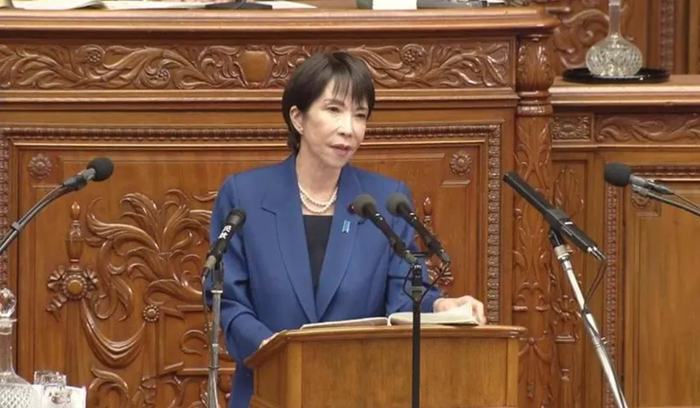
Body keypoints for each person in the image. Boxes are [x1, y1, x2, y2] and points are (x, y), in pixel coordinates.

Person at [206, 51, 487, 408]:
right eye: (334, 109)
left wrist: (444, 306)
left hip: (360, 391)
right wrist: (274, 350)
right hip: (268, 390)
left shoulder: (385, 201)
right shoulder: (244, 195)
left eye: (360, 115)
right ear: (298, 118)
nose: (348, 128)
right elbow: (228, 299)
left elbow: (402, 296)